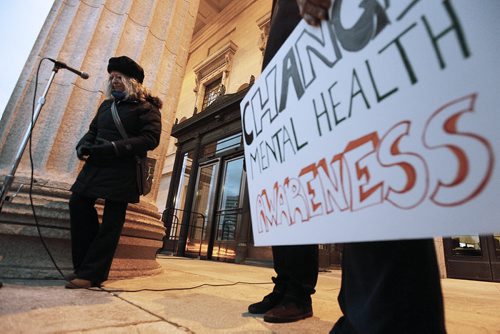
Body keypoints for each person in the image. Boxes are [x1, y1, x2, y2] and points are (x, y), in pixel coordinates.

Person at [250, 0, 447, 332]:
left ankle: (387, 313)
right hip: (292, 52)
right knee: (296, 179)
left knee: (367, 152)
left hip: (335, 28)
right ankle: (294, 287)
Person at [247, 0, 324, 324]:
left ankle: (300, 291)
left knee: (299, 192)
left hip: (307, 80)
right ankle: (284, 282)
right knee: (282, 194)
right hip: (278, 94)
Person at [65, 56, 162, 289]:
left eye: (119, 77)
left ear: (132, 81)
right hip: (97, 164)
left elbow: (151, 139)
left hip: (122, 168)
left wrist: (114, 148)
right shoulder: (107, 106)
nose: (114, 81)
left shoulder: (147, 107)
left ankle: (92, 273)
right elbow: (93, 130)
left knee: (111, 223)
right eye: (112, 77)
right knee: (78, 203)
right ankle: (84, 266)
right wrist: (82, 145)